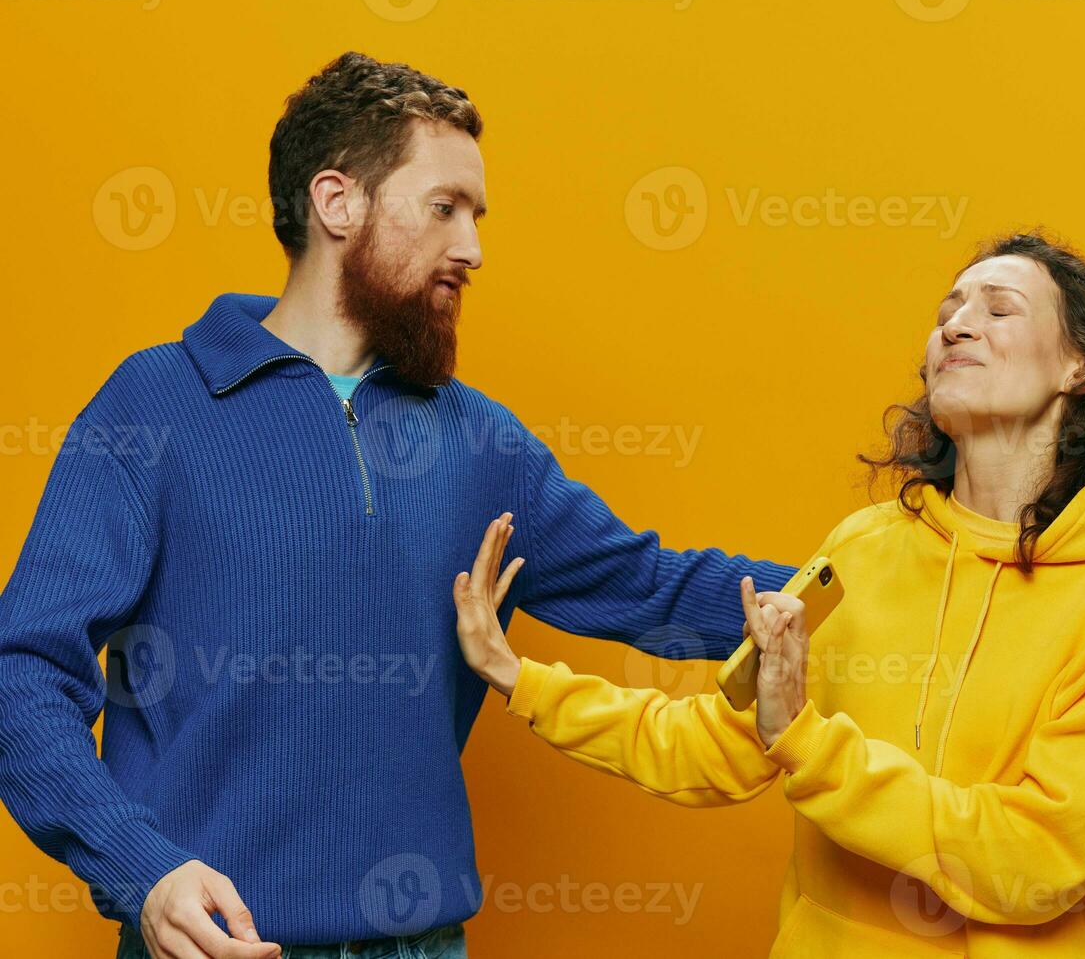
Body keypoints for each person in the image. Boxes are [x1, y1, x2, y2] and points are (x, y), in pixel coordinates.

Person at [0, 52, 795, 959]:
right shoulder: (153, 406)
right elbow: (20, 672)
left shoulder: (478, 442)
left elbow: (652, 585)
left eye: (478, 216)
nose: (474, 248)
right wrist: (140, 866)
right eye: (444, 207)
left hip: (424, 944)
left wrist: (872, 578)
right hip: (214, 946)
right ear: (337, 203)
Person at [453, 232, 1085, 957]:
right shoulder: (864, 548)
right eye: (948, 313)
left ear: (1083, 367)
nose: (958, 326)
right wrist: (521, 680)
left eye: (1000, 308)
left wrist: (806, 741)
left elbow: (1034, 862)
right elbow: (714, 747)